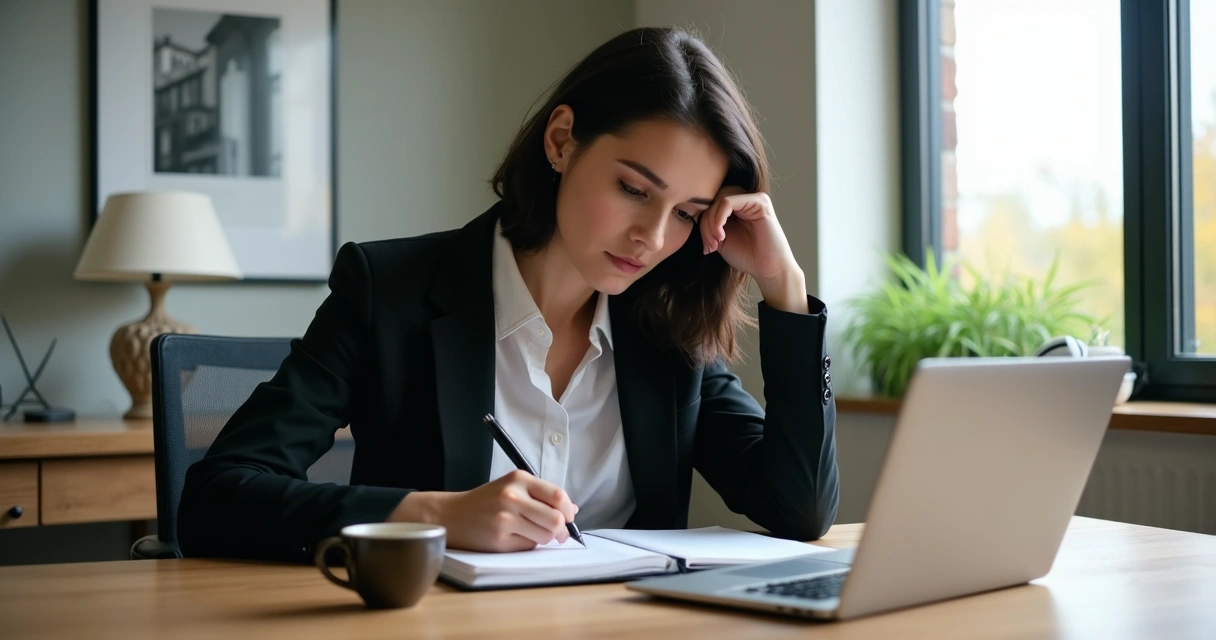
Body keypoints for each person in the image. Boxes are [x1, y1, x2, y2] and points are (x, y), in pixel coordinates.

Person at [178, 26, 839, 561]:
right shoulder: (391, 292)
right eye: (635, 189)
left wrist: (785, 290)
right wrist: (435, 515)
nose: (652, 236)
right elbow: (217, 497)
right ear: (561, 141)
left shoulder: (667, 331)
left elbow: (798, 509)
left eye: (689, 212)